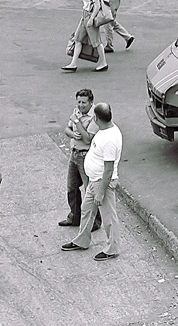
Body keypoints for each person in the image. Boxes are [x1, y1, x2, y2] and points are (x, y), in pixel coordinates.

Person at [62, 102, 123, 261]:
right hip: (95, 179)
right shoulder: (105, 130)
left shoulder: (110, 139)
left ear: (96, 118)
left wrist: (101, 192)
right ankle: (82, 240)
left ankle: (112, 249)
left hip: (102, 183)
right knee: (87, 210)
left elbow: (108, 170)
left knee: (109, 217)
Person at [59, 89, 102, 231]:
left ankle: (95, 221)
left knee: (90, 190)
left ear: (91, 102)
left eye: (84, 102)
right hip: (74, 154)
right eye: (78, 102)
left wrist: (77, 122)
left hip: (86, 156)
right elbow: (67, 129)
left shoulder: (95, 116)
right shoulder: (76, 111)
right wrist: (72, 133)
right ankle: (74, 217)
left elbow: (87, 138)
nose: (80, 105)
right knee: (72, 187)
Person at [62, 0, 108, 73]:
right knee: (78, 39)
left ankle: (104, 62)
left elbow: (97, 5)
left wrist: (91, 18)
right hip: (84, 15)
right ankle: (73, 64)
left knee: (96, 41)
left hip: (90, 16)